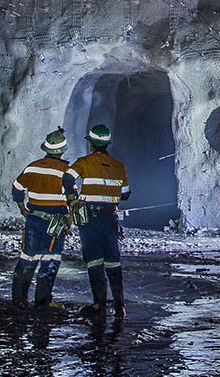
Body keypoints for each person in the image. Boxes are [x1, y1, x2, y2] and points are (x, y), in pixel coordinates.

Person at [65, 124, 131, 317]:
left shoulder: (84, 162)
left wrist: (73, 198)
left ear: (92, 144)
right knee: (113, 260)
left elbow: (67, 179)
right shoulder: (119, 166)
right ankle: (120, 305)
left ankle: (99, 305)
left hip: (89, 217)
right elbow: (125, 194)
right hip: (110, 217)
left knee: (94, 260)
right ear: (107, 144)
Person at [10, 128, 73, 310]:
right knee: (50, 260)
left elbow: (17, 188)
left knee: (27, 258)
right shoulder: (66, 171)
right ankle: (42, 303)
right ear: (62, 150)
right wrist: (70, 219)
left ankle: (19, 300)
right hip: (55, 220)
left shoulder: (32, 167)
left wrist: (23, 209)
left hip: (33, 219)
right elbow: (73, 199)